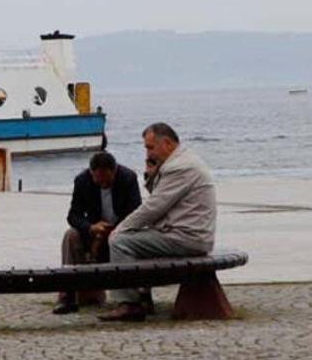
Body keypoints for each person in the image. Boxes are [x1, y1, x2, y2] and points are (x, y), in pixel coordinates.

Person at [100, 122, 217, 322]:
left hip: (186, 237)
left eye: (150, 147)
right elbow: (160, 201)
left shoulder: (179, 167)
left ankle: (130, 304)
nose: (148, 153)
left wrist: (120, 229)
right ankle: (142, 296)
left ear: (167, 143)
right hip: (190, 234)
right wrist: (151, 173)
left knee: (120, 242)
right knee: (135, 238)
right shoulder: (184, 160)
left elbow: (154, 207)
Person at [55, 152, 142, 314]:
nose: (102, 183)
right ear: (91, 173)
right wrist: (90, 227)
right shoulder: (82, 181)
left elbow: (135, 212)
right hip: (93, 231)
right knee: (70, 236)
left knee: (135, 238)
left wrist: (114, 229)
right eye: (98, 179)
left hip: (121, 230)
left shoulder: (128, 178)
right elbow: (73, 215)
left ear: (114, 171)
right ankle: (66, 294)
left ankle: (131, 296)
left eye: (106, 180)